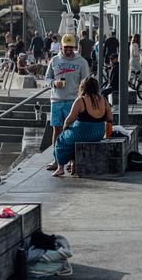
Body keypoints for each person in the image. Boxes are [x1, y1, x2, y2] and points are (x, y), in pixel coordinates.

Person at [44, 34, 90, 170]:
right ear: (62, 47)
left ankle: (72, 161)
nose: (68, 49)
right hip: (56, 100)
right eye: (66, 47)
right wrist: (53, 83)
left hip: (73, 101)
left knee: (73, 131)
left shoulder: (81, 62)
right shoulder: (54, 60)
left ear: (74, 47)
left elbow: (86, 83)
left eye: (71, 47)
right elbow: (47, 77)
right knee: (57, 130)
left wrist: (83, 99)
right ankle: (57, 159)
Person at [52, 77, 113, 177]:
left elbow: (69, 119)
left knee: (61, 140)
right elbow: (110, 118)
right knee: (72, 139)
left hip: (82, 133)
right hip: (98, 133)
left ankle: (60, 167)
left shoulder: (81, 100)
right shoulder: (103, 100)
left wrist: (65, 128)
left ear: (83, 87)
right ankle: (74, 163)